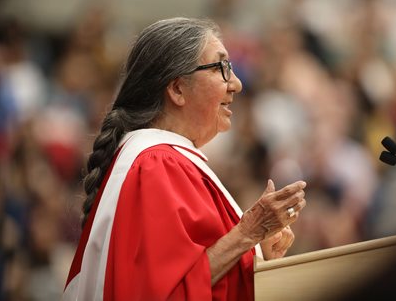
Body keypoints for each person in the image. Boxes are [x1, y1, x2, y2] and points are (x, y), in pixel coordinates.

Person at [62, 17, 307, 301]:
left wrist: (259, 259)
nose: (237, 84)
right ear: (177, 89)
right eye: (222, 67)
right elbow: (162, 294)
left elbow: (196, 277)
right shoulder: (156, 165)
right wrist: (247, 234)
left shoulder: (164, 160)